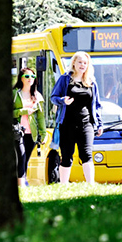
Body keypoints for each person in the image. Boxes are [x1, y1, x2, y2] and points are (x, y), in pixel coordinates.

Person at [51, 51, 103, 184]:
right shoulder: (65, 79)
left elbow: (97, 105)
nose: (82, 65)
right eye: (80, 62)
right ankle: (63, 185)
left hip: (86, 124)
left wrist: (100, 124)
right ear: (73, 63)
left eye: (85, 63)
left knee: (86, 154)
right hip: (67, 124)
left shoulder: (91, 82)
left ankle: (91, 185)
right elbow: (53, 97)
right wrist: (63, 100)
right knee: (67, 156)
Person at [13, 68, 47, 186]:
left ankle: (20, 184)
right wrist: (23, 111)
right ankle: (21, 186)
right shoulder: (14, 94)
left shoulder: (37, 96)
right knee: (21, 156)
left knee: (25, 159)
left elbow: (41, 117)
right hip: (16, 131)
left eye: (32, 77)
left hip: (31, 132)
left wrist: (43, 134)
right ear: (21, 78)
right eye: (27, 77)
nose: (30, 79)